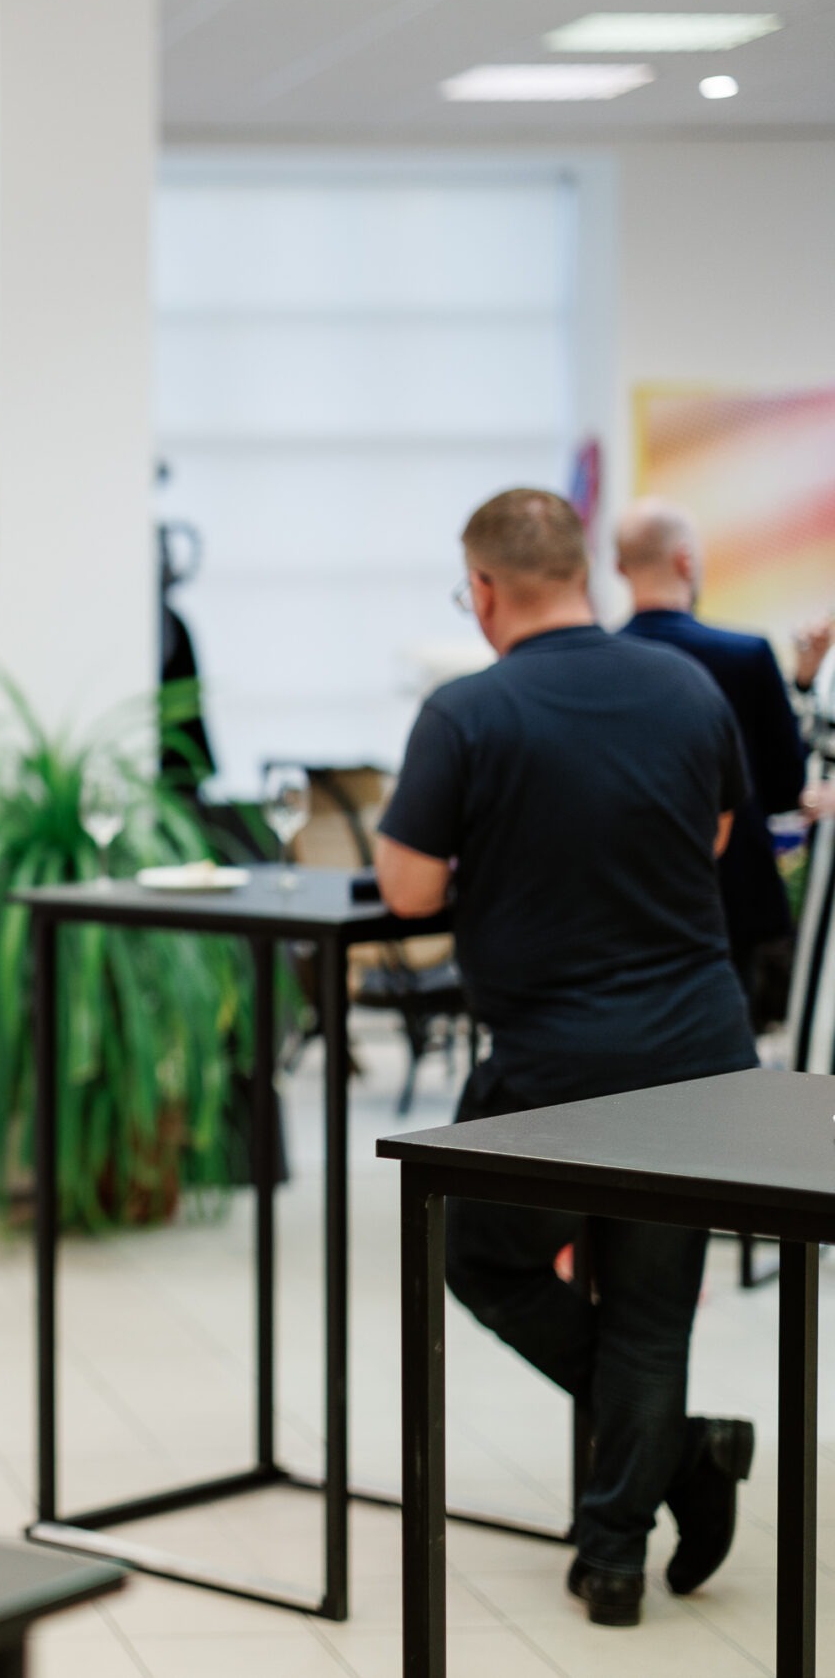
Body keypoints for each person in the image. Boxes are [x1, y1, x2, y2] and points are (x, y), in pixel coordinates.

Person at [375, 488, 757, 1628]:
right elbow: (714, 836)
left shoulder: (467, 712)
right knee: (650, 1305)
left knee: (481, 1256)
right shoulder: (686, 688)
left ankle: (672, 1471)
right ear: (585, 572)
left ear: (485, 589)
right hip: (700, 1051)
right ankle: (616, 1556)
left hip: (554, 1064)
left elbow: (409, 888)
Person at [615, 499, 812, 1026]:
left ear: (619, 567)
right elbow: (784, 786)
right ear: (686, 560)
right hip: (729, 896)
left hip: (626, 895)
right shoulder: (746, 655)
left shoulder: (598, 662)